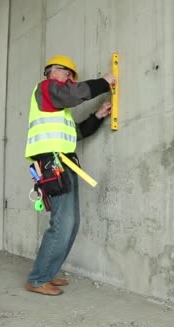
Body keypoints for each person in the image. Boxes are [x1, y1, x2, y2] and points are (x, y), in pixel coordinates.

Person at [24, 55, 116, 295]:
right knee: (62, 224)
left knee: (70, 224)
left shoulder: (56, 109)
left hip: (64, 163)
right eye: (67, 74)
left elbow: (75, 134)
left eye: (71, 75)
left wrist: (97, 115)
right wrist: (104, 82)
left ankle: (47, 273)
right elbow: (73, 94)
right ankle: (37, 279)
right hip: (52, 163)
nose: (69, 79)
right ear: (53, 72)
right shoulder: (46, 88)